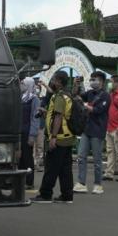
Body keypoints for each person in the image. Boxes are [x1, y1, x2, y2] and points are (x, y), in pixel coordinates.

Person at [32, 71, 75, 204]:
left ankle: (45, 194)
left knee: (51, 167)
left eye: (54, 80)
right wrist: (46, 114)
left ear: (58, 81)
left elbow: (58, 117)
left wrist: (53, 137)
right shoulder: (68, 95)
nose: (52, 82)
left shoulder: (59, 97)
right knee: (65, 169)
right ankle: (67, 195)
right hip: (68, 137)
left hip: (59, 138)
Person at [74, 71, 110, 195]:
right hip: (86, 129)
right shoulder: (89, 93)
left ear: (101, 81)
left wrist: (86, 106)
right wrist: (77, 85)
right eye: (91, 79)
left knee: (97, 160)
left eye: (95, 79)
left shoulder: (105, 96)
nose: (92, 81)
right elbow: (77, 96)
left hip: (97, 130)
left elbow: (99, 110)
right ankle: (81, 183)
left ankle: (98, 184)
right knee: (81, 156)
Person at [19, 77, 40, 189]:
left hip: (27, 132)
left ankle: (29, 181)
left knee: (27, 157)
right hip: (19, 132)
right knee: (19, 157)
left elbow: (35, 118)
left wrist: (32, 135)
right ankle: (20, 180)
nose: (21, 85)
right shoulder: (21, 97)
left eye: (23, 83)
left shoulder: (34, 99)